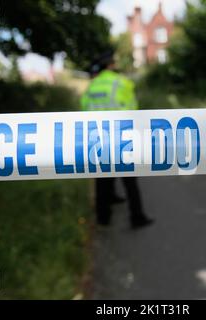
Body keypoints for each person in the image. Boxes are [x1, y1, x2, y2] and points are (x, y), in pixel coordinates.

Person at [81, 50, 154, 229]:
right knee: (129, 180)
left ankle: (103, 217)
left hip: (97, 137)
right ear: (112, 65)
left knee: (102, 178)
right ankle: (137, 217)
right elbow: (133, 110)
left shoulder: (92, 85)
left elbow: (83, 109)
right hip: (121, 138)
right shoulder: (122, 83)